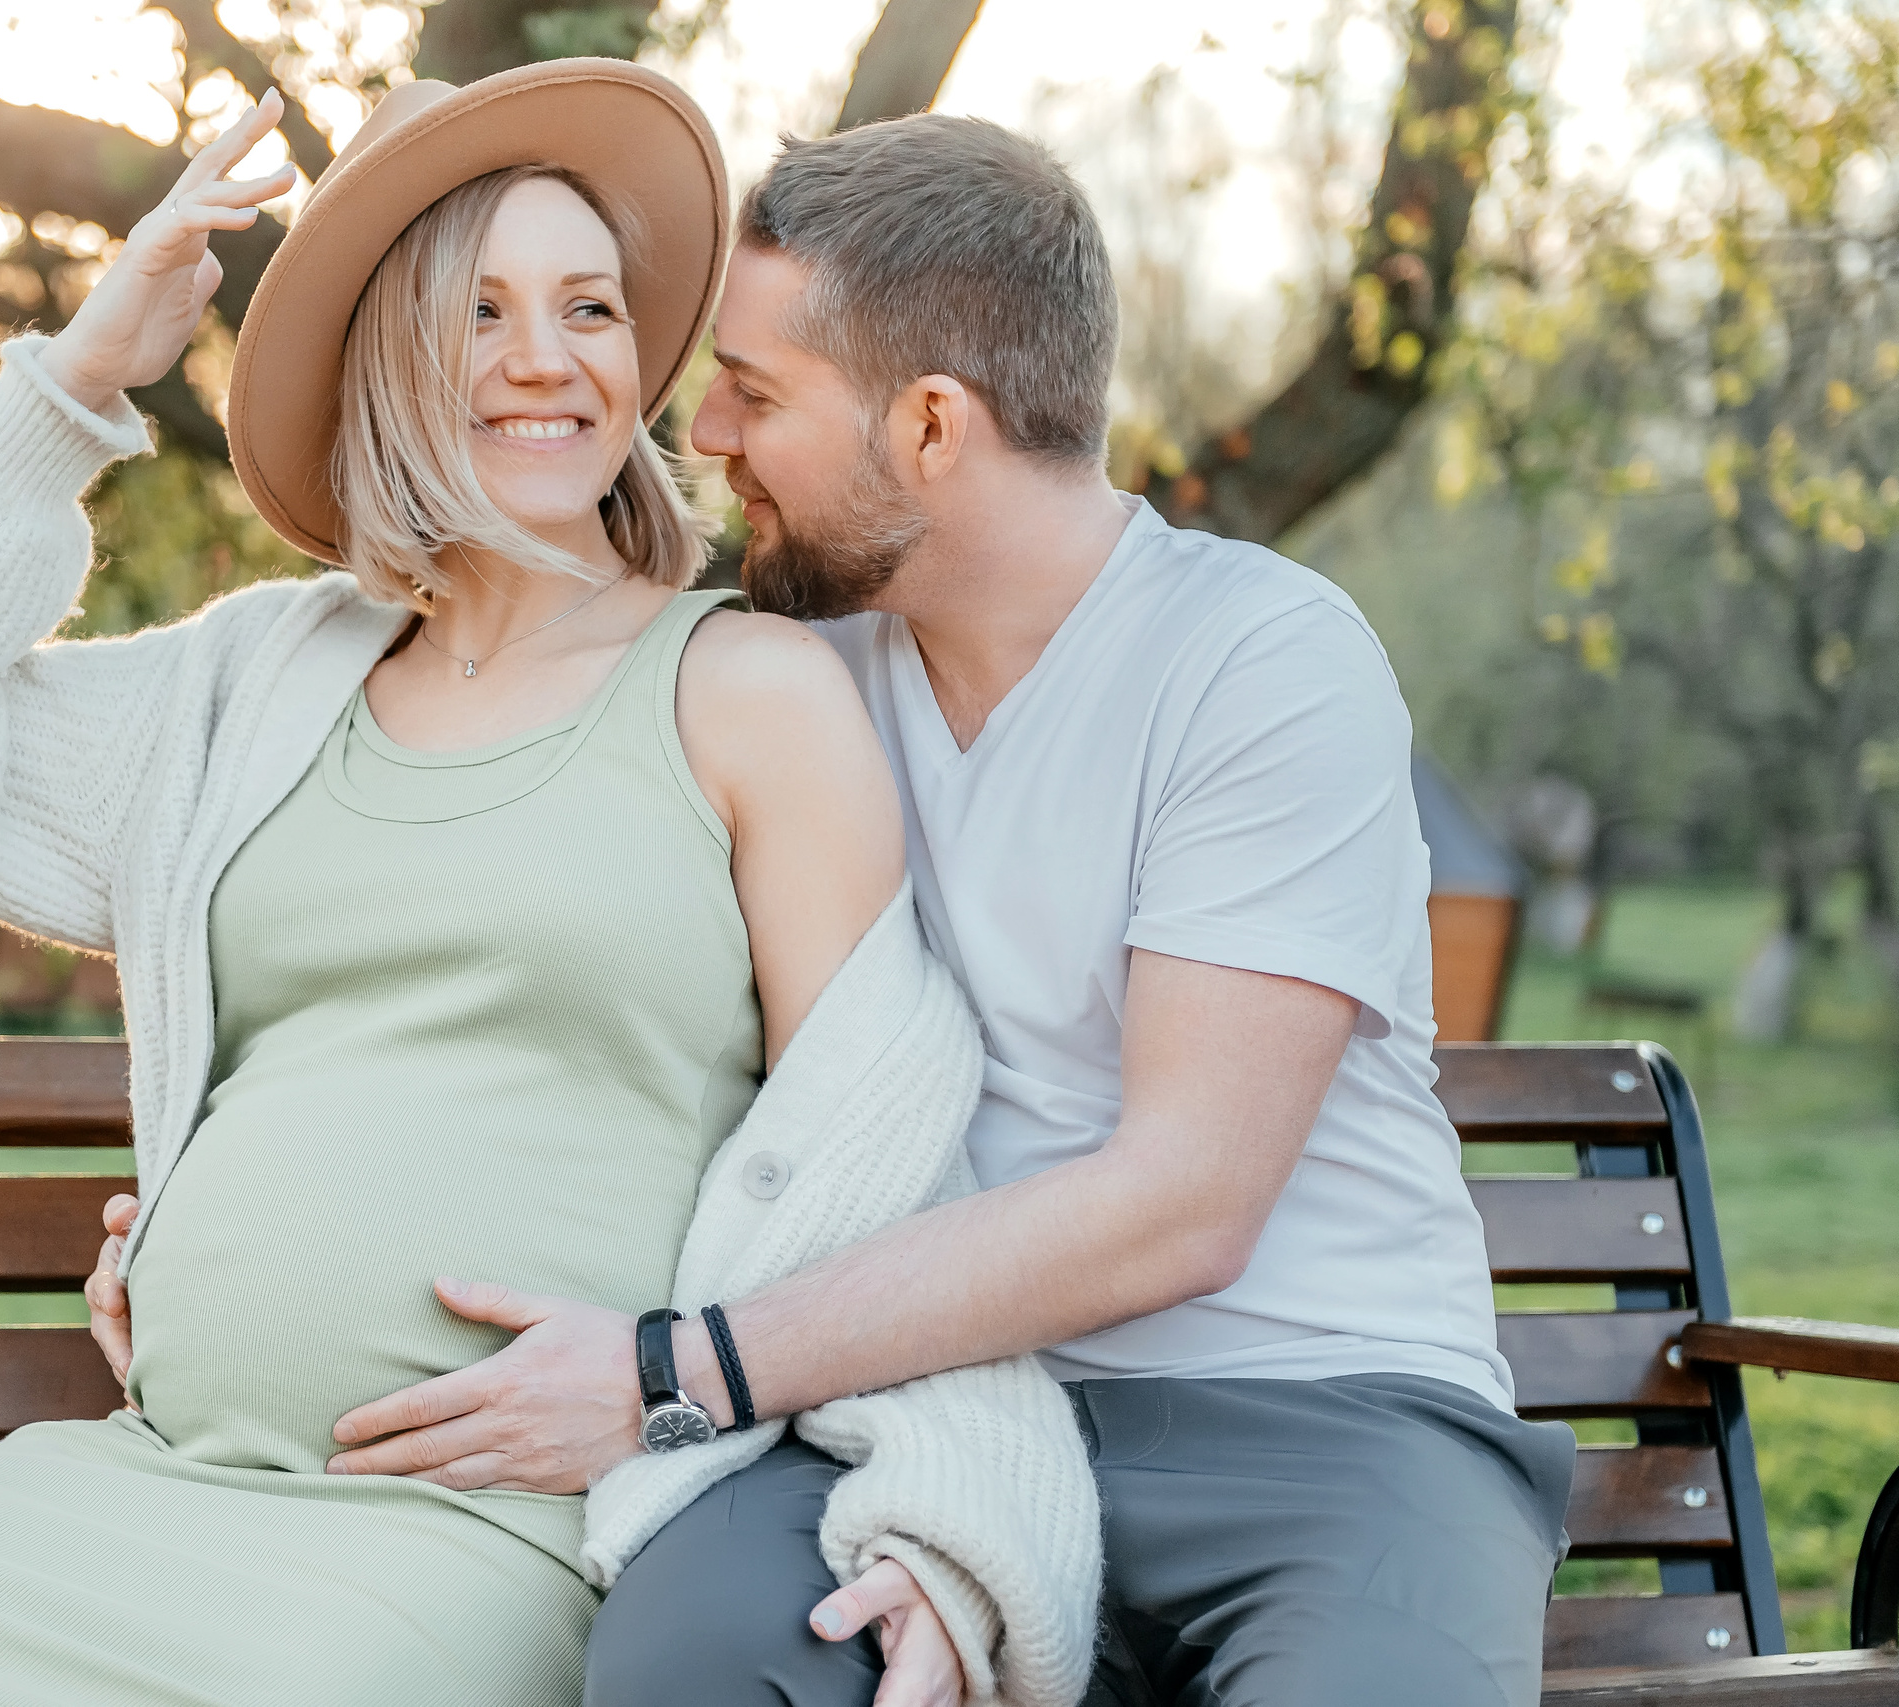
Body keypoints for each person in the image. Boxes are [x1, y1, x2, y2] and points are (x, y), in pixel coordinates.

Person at [94, 113, 1581, 1707]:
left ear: (931, 425)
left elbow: (1184, 1201)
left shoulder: (1260, 662)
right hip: (898, 1403)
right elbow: (497, 945)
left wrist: (680, 1373)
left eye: (755, 388)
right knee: (695, 1668)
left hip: (1317, 1419)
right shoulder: (777, 674)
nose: (705, 429)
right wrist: (215, 1194)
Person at [0, 62, 1098, 1707]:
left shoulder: (748, 692)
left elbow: (881, 1161)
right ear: (388, 357)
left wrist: (945, 1518)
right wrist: (74, 381)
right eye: (479, 311)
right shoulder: (250, 688)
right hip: (171, 1473)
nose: (546, 359)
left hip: (488, 1525)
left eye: (590, 307)